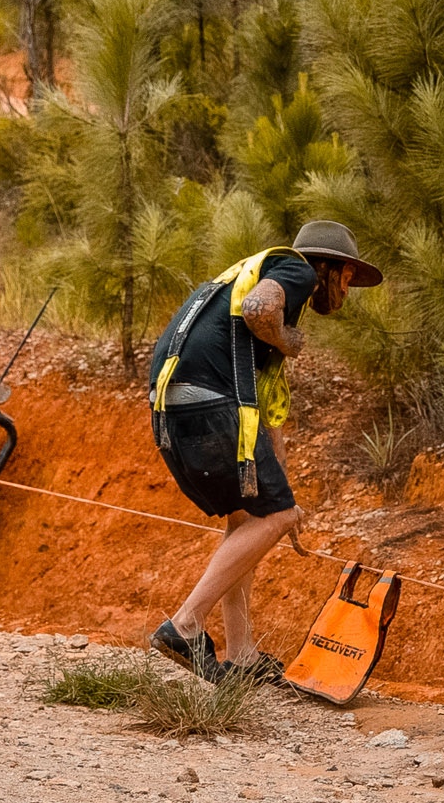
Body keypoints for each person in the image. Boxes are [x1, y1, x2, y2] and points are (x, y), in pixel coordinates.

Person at [145, 221, 376, 681]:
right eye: (348, 277)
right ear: (329, 267)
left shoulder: (244, 277)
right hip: (210, 404)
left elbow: (269, 413)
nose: (347, 290)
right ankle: (186, 625)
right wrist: (288, 339)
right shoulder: (296, 270)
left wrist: (281, 502)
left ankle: (243, 655)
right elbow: (258, 309)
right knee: (272, 516)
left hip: (174, 407)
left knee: (250, 521)